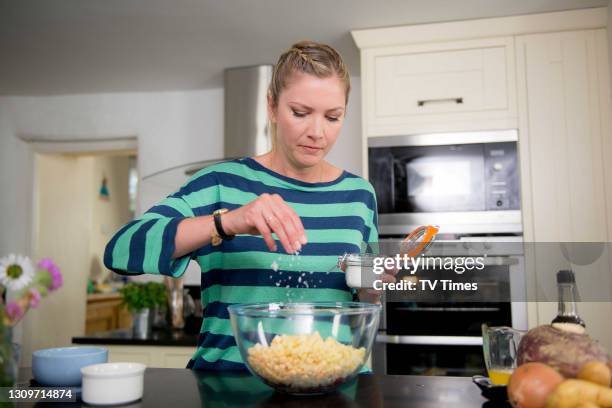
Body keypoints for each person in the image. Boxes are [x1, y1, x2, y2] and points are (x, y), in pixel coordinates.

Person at [104, 40, 397, 370]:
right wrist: (226, 222)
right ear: (272, 107)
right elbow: (120, 251)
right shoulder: (219, 183)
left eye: (333, 117)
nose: (318, 132)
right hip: (230, 386)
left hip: (334, 385)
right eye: (300, 113)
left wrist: (374, 289)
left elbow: (364, 297)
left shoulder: (359, 194)